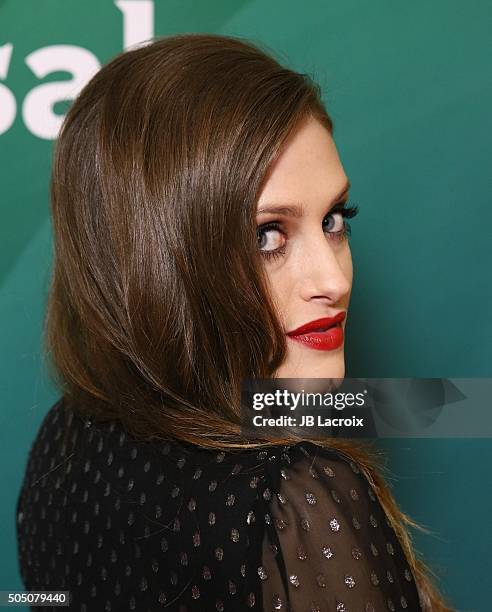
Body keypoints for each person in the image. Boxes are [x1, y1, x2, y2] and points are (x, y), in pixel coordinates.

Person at [15, 33, 454, 611]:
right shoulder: (297, 495)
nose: (334, 280)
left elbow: (421, 405)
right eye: (267, 234)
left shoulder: (65, 438)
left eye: (334, 220)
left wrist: (463, 406)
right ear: (160, 257)